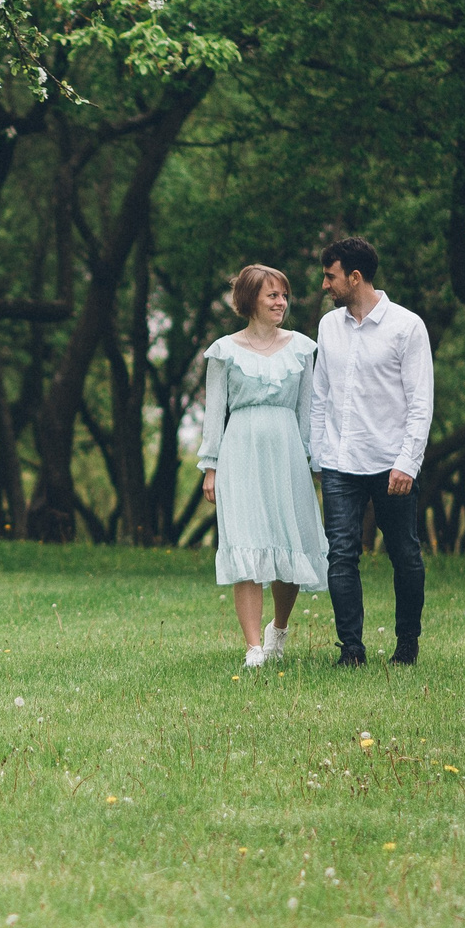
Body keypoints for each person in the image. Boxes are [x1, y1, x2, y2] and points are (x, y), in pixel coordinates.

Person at [309, 236, 433, 665]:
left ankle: (407, 645)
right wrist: (318, 454)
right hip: (340, 463)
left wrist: (408, 463)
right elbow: (319, 394)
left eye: (331, 276)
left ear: (354, 277)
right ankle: (352, 650)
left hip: (391, 465)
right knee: (341, 553)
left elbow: (421, 402)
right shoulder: (328, 327)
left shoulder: (407, 326)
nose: (325, 285)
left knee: (404, 554)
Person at [197, 264, 324, 668]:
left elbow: (308, 411)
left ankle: (278, 630)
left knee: (289, 543)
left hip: (286, 452)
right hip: (241, 453)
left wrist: (312, 462)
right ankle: (253, 647)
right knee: (246, 544)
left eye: (284, 295)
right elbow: (214, 412)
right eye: (272, 295)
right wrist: (210, 466)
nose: (281, 302)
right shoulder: (224, 351)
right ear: (251, 299)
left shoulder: (303, 348)